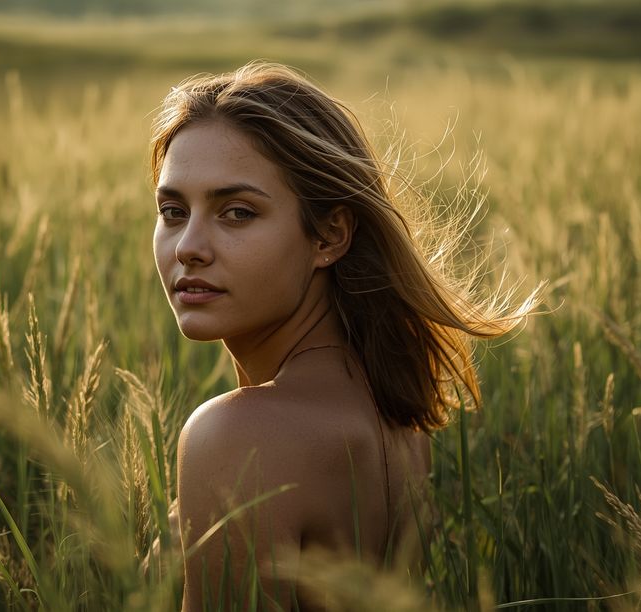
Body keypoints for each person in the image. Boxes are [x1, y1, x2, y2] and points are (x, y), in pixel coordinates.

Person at [150, 61, 539, 611]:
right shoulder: (395, 410)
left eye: (237, 212)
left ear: (330, 236)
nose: (188, 245)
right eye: (172, 210)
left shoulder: (240, 436)